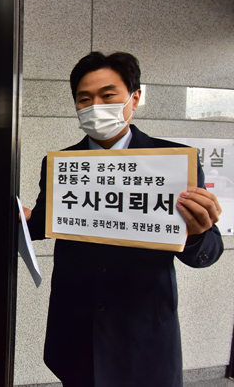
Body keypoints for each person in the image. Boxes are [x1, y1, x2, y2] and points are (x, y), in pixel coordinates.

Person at [23, 52, 224, 387]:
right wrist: (23, 219)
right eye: (84, 99)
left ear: (135, 97)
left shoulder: (172, 163)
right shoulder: (61, 163)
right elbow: (49, 221)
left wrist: (196, 233)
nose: (95, 106)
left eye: (108, 95)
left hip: (142, 334)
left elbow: (209, 249)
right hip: (75, 330)